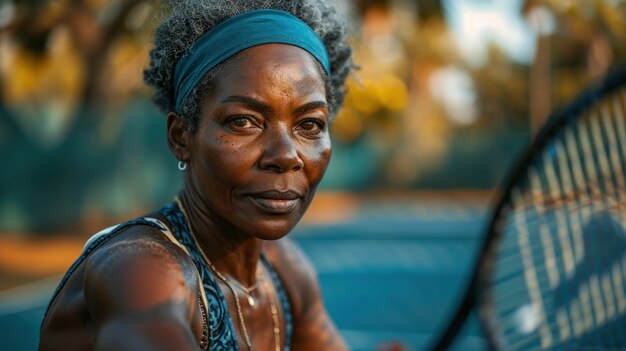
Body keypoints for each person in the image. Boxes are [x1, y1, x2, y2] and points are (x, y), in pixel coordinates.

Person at [39, 0, 353, 350]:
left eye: (310, 124)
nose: (285, 155)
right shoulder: (142, 270)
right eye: (243, 121)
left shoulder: (284, 272)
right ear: (180, 137)